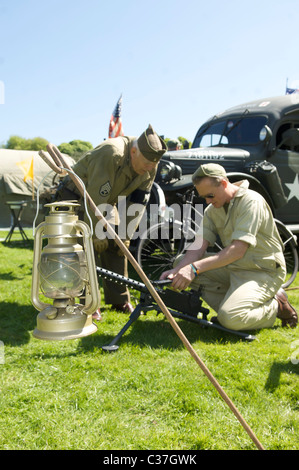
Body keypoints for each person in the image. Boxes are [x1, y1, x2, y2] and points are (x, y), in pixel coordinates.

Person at [160, 163, 298, 331]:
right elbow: (198, 246)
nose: (207, 201)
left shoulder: (251, 201)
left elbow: (237, 250)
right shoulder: (212, 209)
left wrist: (194, 268)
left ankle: (277, 306)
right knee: (180, 262)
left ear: (224, 183)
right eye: (204, 197)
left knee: (231, 319)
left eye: (210, 195)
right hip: (234, 268)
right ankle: (238, 305)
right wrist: (179, 270)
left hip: (263, 271)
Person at [57, 124, 167, 319]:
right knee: (85, 247)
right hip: (76, 197)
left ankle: (120, 300)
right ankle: (88, 303)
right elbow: (94, 196)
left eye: (153, 165)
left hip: (106, 202)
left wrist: (125, 235)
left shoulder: (150, 163)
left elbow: (138, 203)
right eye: (147, 164)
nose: (150, 169)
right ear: (133, 152)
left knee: (117, 248)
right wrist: (95, 233)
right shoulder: (111, 153)